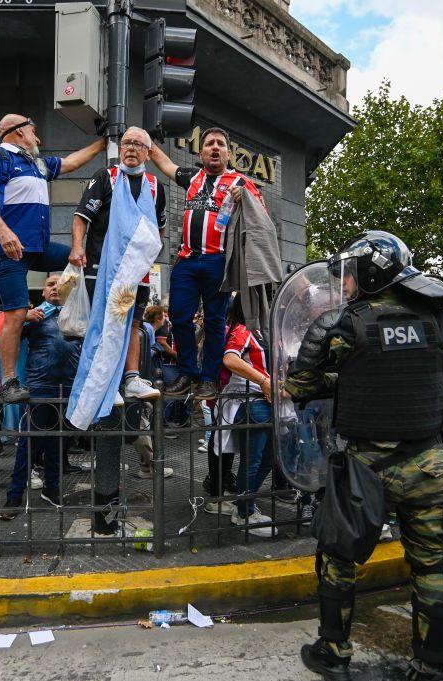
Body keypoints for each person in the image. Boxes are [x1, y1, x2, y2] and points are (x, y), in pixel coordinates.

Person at [285, 231, 443, 681]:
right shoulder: (440, 321)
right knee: (432, 564)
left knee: (339, 559)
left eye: (350, 275)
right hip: (429, 462)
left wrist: (346, 383)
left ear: (370, 272)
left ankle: (333, 652)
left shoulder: (343, 326)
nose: (345, 284)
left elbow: (300, 387)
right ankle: (431, 662)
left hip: (365, 469)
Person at [0, 113, 106, 404]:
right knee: (17, 313)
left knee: (80, 258)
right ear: (18, 132)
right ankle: (8, 382)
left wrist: (103, 144)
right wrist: (5, 233)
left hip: (37, 247)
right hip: (8, 250)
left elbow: (69, 163)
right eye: (34, 131)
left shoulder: (37, 162)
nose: (39, 138)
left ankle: (76, 317)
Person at [149, 127, 263, 400]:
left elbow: (261, 216)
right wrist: (146, 141)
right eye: (209, 143)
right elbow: (165, 163)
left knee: (214, 322)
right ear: (201, 153)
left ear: (228, 153)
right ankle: (188, 372)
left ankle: (209, 379)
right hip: (187, 260)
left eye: (220, 144)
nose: (214, 147)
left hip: (218, 261)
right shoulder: (192, 177)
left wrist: (244, 199)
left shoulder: (241, 182)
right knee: (178, 315)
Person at [69, 125, 164, 402]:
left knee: (132, 323)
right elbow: (81, 217)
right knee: (102, 321)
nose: (131, 148)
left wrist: (147, 257)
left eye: (137, 144)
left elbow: (158, 229)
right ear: (120, 149)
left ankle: (131, 379)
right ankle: (104, 383)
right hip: (102, 266)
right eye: (126, 143)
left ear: (147, 153)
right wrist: (77, 246)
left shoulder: (156, 187)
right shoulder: (105, 177)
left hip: (137, 272)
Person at [0, 274, 81, 519]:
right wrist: (24, 318)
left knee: (58, 442)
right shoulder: (35, 316)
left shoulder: (77, 315)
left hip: (67, 388)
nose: (55, 287)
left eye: (61, 284)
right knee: (29, 444)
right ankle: (14, 497)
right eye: (50, 284)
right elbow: (4, 333)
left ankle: (52, 489)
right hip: (40, 387)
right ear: (42, 292)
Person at [219, 296, 274, 537]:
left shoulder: (263, 330)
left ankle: (245, 504)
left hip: (267, 403)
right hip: (252, 403)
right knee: (253, 461)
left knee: (268, 460)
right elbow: (230, 359)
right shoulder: (243, 330)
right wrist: (263, 380)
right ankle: (244, 511)